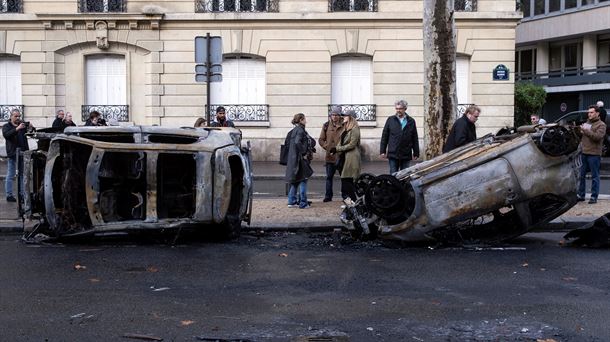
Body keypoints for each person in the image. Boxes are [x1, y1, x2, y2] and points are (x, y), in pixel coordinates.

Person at [577, 105, 607, 204]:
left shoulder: (601, 125)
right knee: (581, 176)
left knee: (595, 176)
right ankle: (581, 195)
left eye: (591, 112)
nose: (589, 114)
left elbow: (598, 137)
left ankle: (594, 197)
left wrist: (586, 131)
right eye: (588, 112)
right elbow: (584, 136)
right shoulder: (587, 123)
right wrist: (580, 131)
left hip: (594, 154)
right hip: (584, 153)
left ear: (597, 113)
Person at [284, 113, 315, 209]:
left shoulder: (292, 131)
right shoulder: (301, 130)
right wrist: (303, 152)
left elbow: (288, 145)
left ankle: (291, 201)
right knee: (303, 180)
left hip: (293, 159)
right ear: (301, 120)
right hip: (300, 159)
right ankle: (303, 203)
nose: (306, 121)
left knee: (295, 181)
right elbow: (298, 142)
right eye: (305, 119)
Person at [2, 109, 34, 202]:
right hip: (12, 153)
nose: (18, 118)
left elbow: (31, 134)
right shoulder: (6, 126)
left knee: (22, 175)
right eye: (16, 116)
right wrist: (17, 128)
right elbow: (6, 135)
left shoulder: (22, 125)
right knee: (11, 175)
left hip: (23, 153)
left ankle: (22, 195)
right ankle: (9, 195)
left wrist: (31, 128)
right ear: (11, 116)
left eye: (19, 116)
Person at [380, 99, 419, 173]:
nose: (398, 110)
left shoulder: (411, 121)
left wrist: (416, 152)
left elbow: (414, 138)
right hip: (393, 153)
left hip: (406, 153)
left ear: (405, 109)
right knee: (393, 175)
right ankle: (393, 185)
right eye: (397, 108)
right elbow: (385, 136)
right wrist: (382, 151)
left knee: (404, 175)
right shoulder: (390, 119)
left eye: (400, 108)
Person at [330, 110, 361, 201]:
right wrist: (335, 149)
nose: (343, 117)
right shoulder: (346, 128)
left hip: (351, 157)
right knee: (345, 180)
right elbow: (341, 142)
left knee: (348, 180)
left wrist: (337, 149)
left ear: (351, 117)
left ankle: (353, 201)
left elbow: (352, 144)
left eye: (345, 116)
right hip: (344, 157)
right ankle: (349, 201)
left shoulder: (355, 129)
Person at [318, 106, 345, 202]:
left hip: (341, 156)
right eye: (332, 115)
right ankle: (328, 196)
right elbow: (321, 139)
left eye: (336, 115)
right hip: (330, 156)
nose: (334, 117)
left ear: (339, 115)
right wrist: (327, 146)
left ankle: (345, 196)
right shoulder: (326, 125)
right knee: (329, 177)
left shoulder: (345, 124)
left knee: (344, 177)